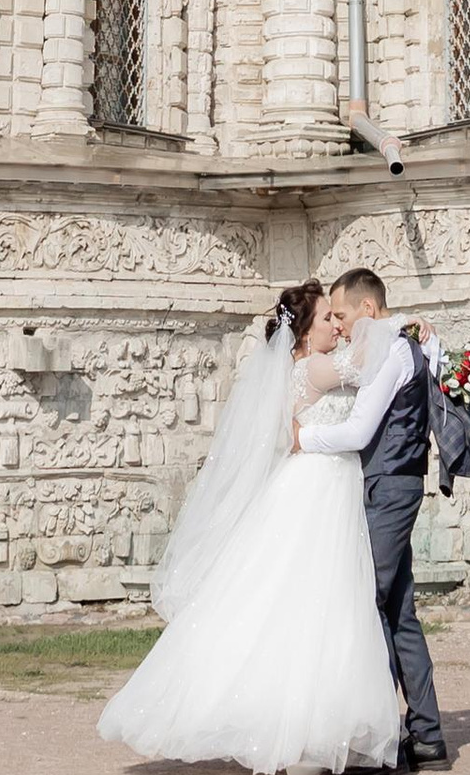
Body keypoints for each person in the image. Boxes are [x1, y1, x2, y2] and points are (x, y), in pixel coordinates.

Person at [100, 280, 405, 774]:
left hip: (318, 484)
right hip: (318, 488)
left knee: (300, 603)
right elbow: (370, 360)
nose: (338, 325)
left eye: (337, 317)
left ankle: (305, 728)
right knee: (317, 605)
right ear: (305, 333)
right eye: (328, 318)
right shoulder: (314, 368)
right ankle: (305, 730)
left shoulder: (297, 369)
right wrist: (398, 323)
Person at [298, 269, 451, 769]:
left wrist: (304, 441)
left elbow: (361, 430)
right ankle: (425, 735)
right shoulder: (404, 340)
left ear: (365, 310)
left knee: (366, 604)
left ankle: (374, 738)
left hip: (387, 488)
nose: (339, 325)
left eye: (342, 314)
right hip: (394, 484)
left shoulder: (390, 348)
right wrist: (412, 320)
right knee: (398, 611)